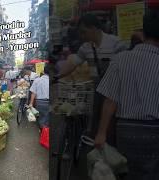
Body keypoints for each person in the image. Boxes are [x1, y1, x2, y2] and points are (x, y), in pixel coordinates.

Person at [94, 11, 159, 180]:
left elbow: (110, 100)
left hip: (126, 132)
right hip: (155, 132)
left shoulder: (121, 59)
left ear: (143, 33)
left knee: (126, 173)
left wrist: (101, 133)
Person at [56, 14, 128, 144]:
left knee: (113, 123)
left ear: (94, 28)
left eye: (84, 32)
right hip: (97, 89)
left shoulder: (117, 43)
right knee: (97, 120)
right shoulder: (85, 47)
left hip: (117, 91)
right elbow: (73, 63)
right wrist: (58, 76)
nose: (82, 36)